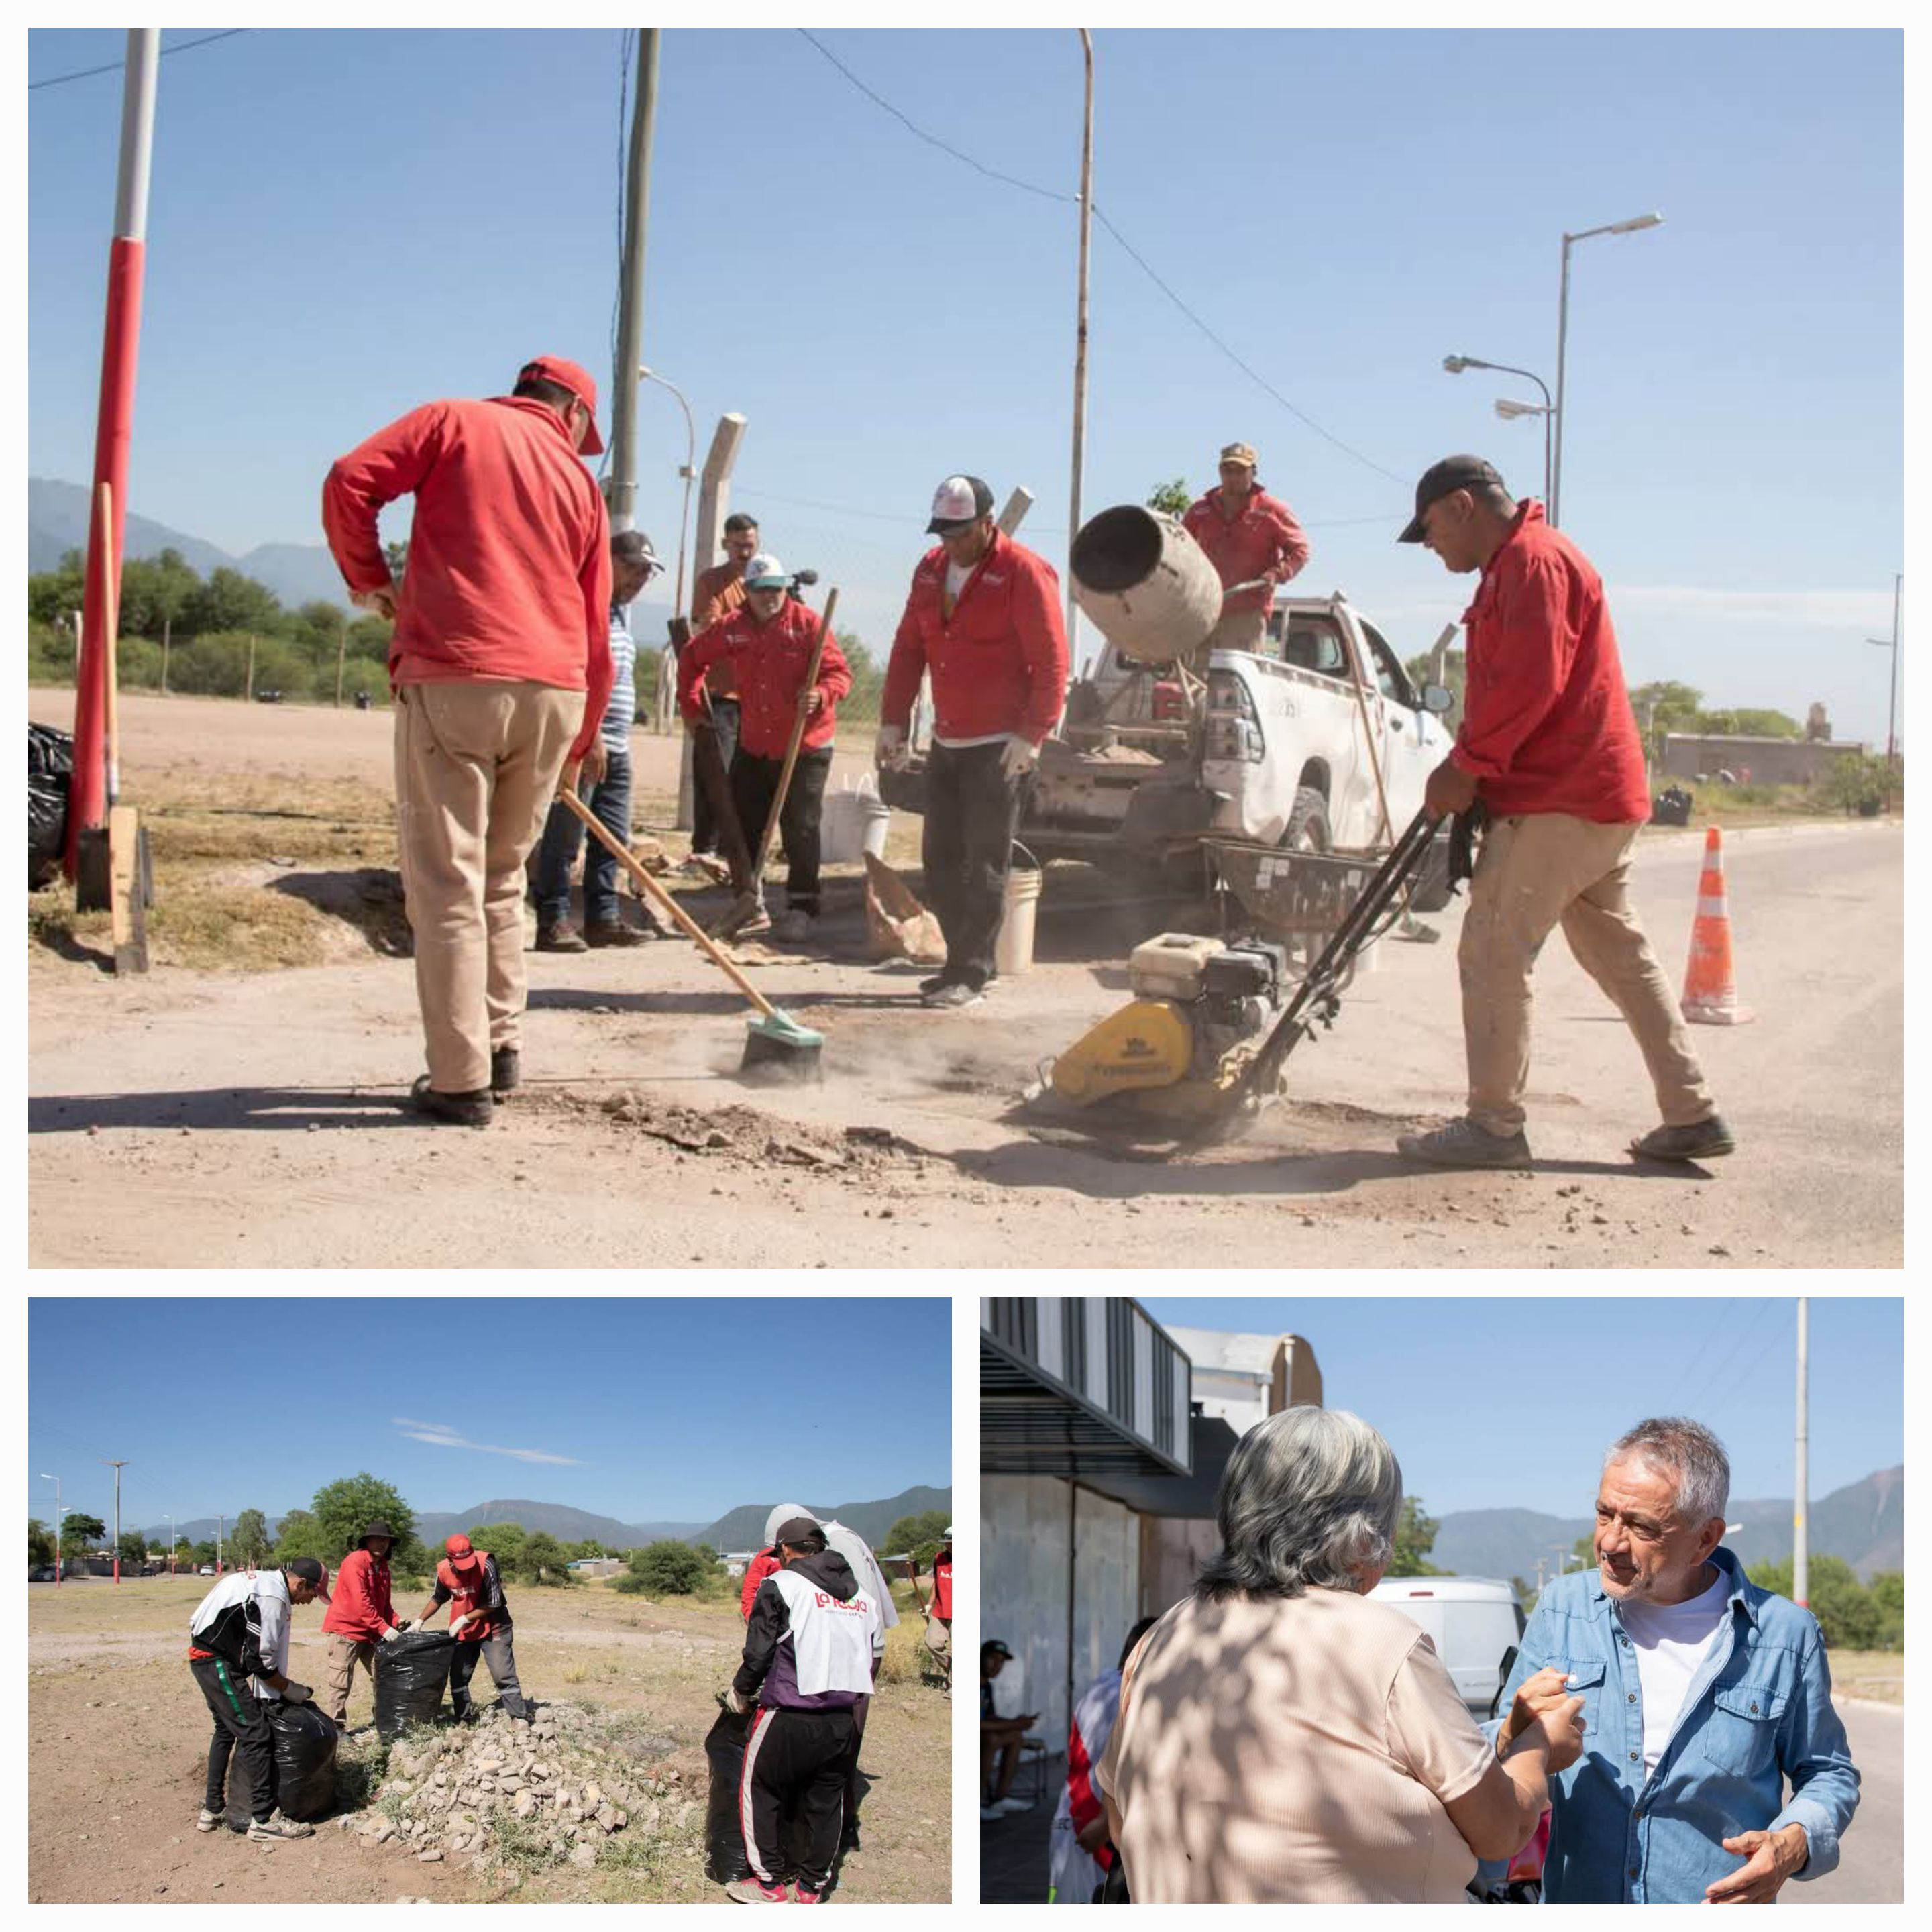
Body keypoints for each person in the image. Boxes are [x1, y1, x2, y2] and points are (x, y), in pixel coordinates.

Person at [1394, 455, 1733, 1169]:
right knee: (1619, 955)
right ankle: (1692, 1111)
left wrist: (1465, 768)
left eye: (1428, 531)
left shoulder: (1532, 563)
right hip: (1593, 797)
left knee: (1491, 946)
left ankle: (1492, 1127)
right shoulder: (1521, 565)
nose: (1431, 547)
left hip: (1559, 800)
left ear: (1460, 507)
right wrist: (1473, 766)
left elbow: (1529, 686)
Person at [1097, 1407, 1581, 1903]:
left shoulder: (1166, 1634)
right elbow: (1500, 1831)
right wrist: (1537, 1748)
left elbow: (1119, 1818)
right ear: (1360, 1533)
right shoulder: (1384, 1642)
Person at [322, 353, 613, 1127]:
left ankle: (459, 1080)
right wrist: (585, 733)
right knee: (503, 877)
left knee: (448, 885)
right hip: (556, 688)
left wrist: (368, 578)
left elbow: (351, 480)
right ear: (575, 415)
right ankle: (502, 1047)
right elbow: (597, 616)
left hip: (457, 675)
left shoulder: (452, 420)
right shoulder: (581, 483)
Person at [1489, 1417, 1859, 1904]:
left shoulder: (1784, 1635)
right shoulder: (1562, 1609)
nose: (1610, 1542)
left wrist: (1790, 1844)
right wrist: (1511, 1735)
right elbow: (1494, 1746)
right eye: (1605, 1514)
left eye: (1642, 1526)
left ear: (1706, 1539)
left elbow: (1829, 1773)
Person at [879, 476, 1070, 1008]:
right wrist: (893, 720)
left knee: (985, 862)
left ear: (988, 524)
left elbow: (1052, 660)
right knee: (940, 859)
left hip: (1001, 745)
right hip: (949, 740)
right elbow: (907, 646)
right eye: (944, 533)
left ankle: (973, 971)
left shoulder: (1024, 573)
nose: (952, 544)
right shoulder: (930, 571)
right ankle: (955, 961)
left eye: (961, 533)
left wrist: (1033, 734)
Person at [677, 553, 851, 943]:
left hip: (806, 744)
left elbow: (840, 673)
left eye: (776, 589)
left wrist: (822, 694)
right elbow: (691, 658)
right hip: (756, 742)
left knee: (800, 825)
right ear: (749, 592)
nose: (769, 597)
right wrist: (692, 709)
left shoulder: (808, 625)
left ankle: (802, 904)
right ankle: (749, 902)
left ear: (785, 589)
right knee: (745, 824)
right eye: (761, 590)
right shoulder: (732, 628)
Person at [724, 1515, 883, 1903]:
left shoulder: (781, 1585)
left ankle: (768, 1884)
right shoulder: (863, 1598)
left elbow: (758, 1652)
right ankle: (812, 1886)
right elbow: (875, 1652)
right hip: (843, 1719)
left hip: (789, 1712)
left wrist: (741, 1691)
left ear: (786, 1550)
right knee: (828, 1801)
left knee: (759, 1788)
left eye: (779, 1552)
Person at [531, 527, 669, 951]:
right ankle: (553, 919)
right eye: (632, 569)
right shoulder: (581, 606)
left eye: (647, 572)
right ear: (608, 563)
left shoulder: (620, 614)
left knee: (611, 837)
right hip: (584, 741)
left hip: (617, 743)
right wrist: (587, 735)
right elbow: (573, 674)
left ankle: (603, 918)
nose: (640, 579)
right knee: (565, 834)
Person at [187, 1556, 329, 1840]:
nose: (311, 1601)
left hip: (208, 1657)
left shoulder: (261, 1581)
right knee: (257, 1734)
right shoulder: (272, 1597)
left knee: (226, 1731)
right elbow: (260, 1663)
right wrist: (291, 1690)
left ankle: (213, 1810)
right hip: (216, 1662)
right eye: (313, 1594)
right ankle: (264, 1820)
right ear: (300, 1583)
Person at [1047, 1616, 1157, 1903]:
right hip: (1095, 1828)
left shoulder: (1107, 1686)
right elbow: (1119, 1766)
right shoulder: (1121, 1699)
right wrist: (1102, 1823)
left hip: (1079, 1822)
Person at [684, 512, 761, 876]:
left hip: (757, 695)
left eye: (750, 545)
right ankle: (705, 847)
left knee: (748, 775)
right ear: (725, 545)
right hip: (722, 691)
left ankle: (740, 848)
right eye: (738, 546)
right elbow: (712, 627)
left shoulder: (764, 579)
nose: (744, 552)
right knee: (716, 768)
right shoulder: (712, 582)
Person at [1181, 442, 1311, 655]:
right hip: (1204, 610)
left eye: (1240, 471)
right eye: (1227, 470)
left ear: (1254, 472)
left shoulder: (1271, 510)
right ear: (1220, 471)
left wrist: (1276, 574)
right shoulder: (1200, 511)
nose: (1232, 477)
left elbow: (1300, 551)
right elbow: (1180, 549)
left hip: (1247, 612)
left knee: (1234, 681)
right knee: (1195, 681)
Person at [412, 1532, 529, 1722]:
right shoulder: (443, 1570)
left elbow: (494, 1602)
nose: (466, 1569)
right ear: (450, 1559)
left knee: (503, 1675)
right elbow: (438, 1598)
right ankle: (464, 1719)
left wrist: (464, 1618)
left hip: (495, 1627)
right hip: (466, 1631)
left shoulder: (486, 1563)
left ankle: (519, 1719)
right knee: (458, 1676)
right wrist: (419, 1622)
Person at [318, 1519, 407, 1728]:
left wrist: (396, 1621)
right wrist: (385, 1628)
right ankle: (336, 1728)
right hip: (345, 1630)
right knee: (340, 1683)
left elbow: (384, 1604)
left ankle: (382, 1720)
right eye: (376, 1539)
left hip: (371, 1632)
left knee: (383, 1675)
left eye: (385, 1540)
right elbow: (362, 1604)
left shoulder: (383, 1567)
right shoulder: (355, 1562)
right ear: (367, 1541)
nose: (381, 1544)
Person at [980, 1639, 1040, 1820]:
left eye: (1001, 1662)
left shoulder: (987, 1686)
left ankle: (1001, 1796)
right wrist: (1014, 1724)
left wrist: (1016, 1723)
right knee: (991, 1740)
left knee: (1015, 1737)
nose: (997, 1666)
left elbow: (989, 1717)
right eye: (993, 1659)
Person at [908, 1527, 952, 1685]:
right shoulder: (939, 1558)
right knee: (932, 1643)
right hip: (940, 1610)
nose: (950, 1546)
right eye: (947, 1543)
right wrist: (929, 1604)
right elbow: (937, 1582)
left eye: (952, 1543)